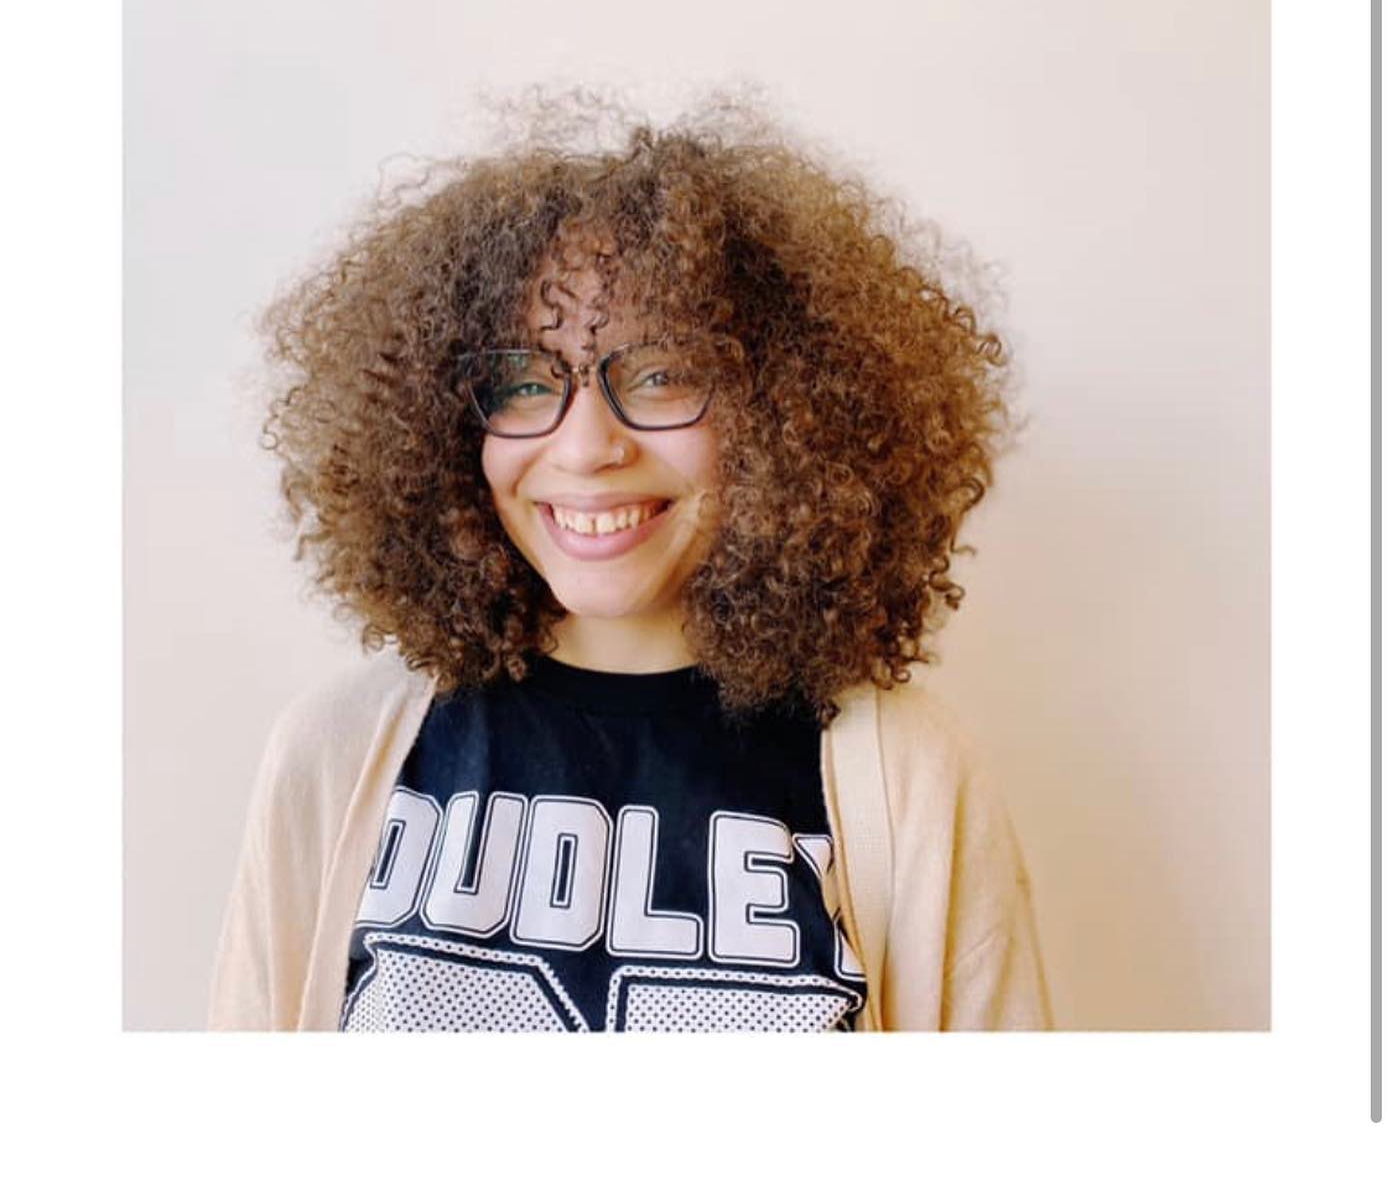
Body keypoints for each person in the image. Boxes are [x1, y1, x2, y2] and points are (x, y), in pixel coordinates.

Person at [209, 99, 1051, 1032]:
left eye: (659, 374)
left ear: (784, 411)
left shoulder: (905, 774)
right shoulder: (338, 750)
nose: (585, 447)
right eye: (524, 381)